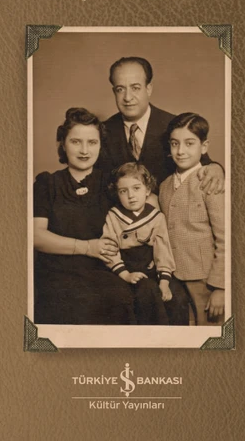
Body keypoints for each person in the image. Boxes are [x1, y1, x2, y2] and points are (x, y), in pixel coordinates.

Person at [33, 107, 135, 325]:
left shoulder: (112, 184)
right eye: (75, 142)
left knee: (120, 298)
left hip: (104, 271)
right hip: (57, 274)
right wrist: (88, 247)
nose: (84, 150)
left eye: (92, 142)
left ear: (100, 145)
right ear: (63, 144)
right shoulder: (47, 184)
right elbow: (36, 236)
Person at [99, 56, 224, 191]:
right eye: (120, 89)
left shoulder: (175, 125)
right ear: (114, 92)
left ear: (148, 89)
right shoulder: (102, 131)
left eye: (135, 88)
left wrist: (216, 168)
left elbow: (205, 162)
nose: (127, 97)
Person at [101, 162, 189, 325]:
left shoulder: (157, 217)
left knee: (177, 296)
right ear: (117, 193)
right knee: (147, 292)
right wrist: (125, 275)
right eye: (123, 191)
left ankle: (177, 337)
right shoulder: (113, 216)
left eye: (136, 188)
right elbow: (109, 248)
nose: (131, 196)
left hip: (152, 267)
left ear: (147, 190)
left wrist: (164, 281)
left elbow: (163, 250)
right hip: (124, 269)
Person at [159, 113, 225, 326]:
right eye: (175, 143)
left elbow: (225, 238)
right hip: (174, 279)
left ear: (204, 147)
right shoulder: (164, 186)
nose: (180, 151)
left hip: (205, 279)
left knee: (209, 331)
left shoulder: (210, 181)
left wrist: (221, 287)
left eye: (189, 143)